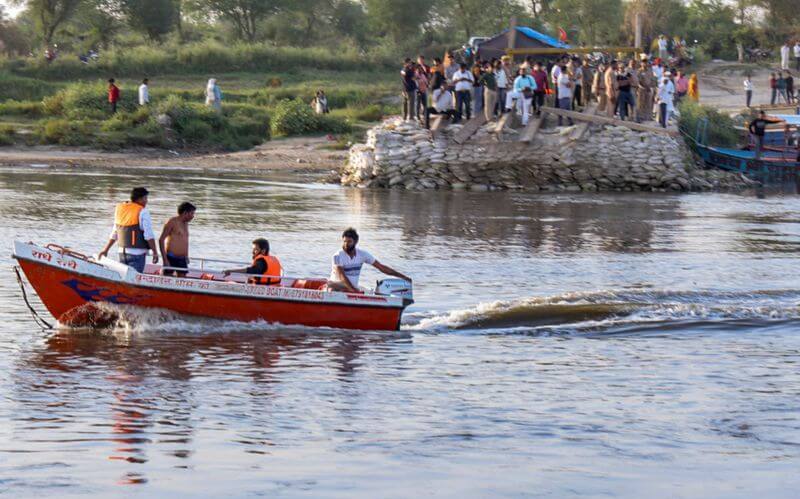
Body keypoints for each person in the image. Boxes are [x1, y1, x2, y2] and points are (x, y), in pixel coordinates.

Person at [325, 228, 411, 293]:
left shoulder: (362, 254)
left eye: (349, 242)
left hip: (352, 288)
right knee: (332, 288)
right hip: (337, 287)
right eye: (344, 241)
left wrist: (403, 277)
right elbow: (342, 277)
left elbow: (381, 267)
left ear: (356, 241)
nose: (346, 245)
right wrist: (354, 291)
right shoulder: (337, 256)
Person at [98, 187, 158, 273]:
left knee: (123, 279)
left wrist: (106, 250)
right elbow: (148, 235)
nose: (146, 201)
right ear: (140, 199)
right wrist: (155, 252)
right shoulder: (143, 211)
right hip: (137, 254)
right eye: (145, 198)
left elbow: (115, 232)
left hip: (122, 253)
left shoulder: (120, 209)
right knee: (134, 281)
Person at [159, 202, 196, 277]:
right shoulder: (172, 222)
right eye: (192, 213)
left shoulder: (186, 223)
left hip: (182, 259)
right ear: (185, 213)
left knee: (182, 281)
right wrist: (165, 259)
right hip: (171, 257)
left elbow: (185, 241)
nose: (193, 216)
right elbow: (161, 240)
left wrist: (186, 256)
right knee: (167, 279)